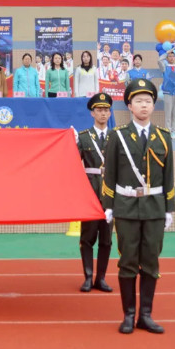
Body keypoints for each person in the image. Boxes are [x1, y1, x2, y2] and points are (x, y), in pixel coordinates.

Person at [101, 79, 175, 335]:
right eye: (139, 101)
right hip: (126, 206)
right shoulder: (117, 136)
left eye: (148, 101)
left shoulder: (163, 137)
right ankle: (128, 315)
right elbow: (109, 174)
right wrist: (108, 205)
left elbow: (169, 176)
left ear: (154, 105)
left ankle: (145, 315)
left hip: (154, 207)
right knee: (128, 261)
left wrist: (169, 208)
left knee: (151, 262)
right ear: (130, 106)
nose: (144, 105)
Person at [76, 93, 114, 293]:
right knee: (87, 237)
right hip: (90, 194)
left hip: (109, 194)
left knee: (106, 239)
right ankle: (88, 277)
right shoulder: (83, 137)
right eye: (99, 110)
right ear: (92, 113)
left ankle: (102, 278)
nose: (103, 113)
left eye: (106, 110)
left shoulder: (117, 137)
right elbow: (73, 164)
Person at [158, 50, 175, 139]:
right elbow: (159, 61)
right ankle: (167, 132)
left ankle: (173, 132)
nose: (171, 58)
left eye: (173, 56)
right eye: (169, 56)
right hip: (168, 92)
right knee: (168, 113)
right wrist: (166, 52)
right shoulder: (165, 67)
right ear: (167, 57)